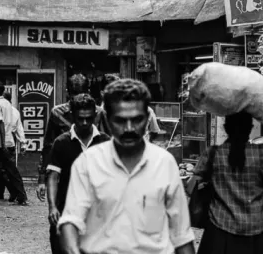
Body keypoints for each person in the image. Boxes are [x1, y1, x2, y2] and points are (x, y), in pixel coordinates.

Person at [59, 78, 195, 254]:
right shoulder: (88, 163)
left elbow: (182, 236)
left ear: (147, 119)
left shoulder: (164, 163)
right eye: (120, 121)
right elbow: (71, 221)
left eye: (137, 120)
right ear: (107, 120)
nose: (129, 128)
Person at [46, 94, 110, 254]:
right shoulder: (61, 142)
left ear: (95, 116)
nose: (84, 123)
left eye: (89, 118)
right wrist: (52, 207)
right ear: (73, 116)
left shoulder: (105, 142)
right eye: (80, 118)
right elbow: (53, 177)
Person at [194, 111, 263, 254]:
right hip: (255, 232)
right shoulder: (260, 154)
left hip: (219, 231)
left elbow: (191, 187)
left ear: (225, 128)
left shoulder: (212, 153)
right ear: (250, 128)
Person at [37, 73, 110, 201]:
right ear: (67, 93)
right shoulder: (57, 113)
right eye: (74, 95)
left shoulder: (99, 113)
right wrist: (42, 179)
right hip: (65, 170)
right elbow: (48, 146)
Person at [0, 81, 28, 205]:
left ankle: (19, 195)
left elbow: (1, 124)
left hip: (0, 142)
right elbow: (17, 127)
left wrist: (2, 143)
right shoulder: (8, 105)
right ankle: (19, 195)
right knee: (10, 171)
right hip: (9, 141)